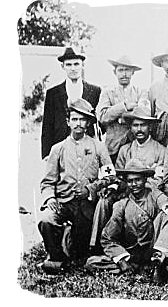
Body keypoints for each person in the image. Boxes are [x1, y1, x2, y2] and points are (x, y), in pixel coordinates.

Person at [38, 99, 112, 273]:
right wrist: (50, 198)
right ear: (68, 121)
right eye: (74, 119)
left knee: (83, 247)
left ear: (88, 123)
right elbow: (47, 182)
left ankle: (77, 250)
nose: (78, 124)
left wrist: (90, 189)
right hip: (63, 203)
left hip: (88, 205)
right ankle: (56, 256)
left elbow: (111, 176)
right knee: (46, 220)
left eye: (82, 120)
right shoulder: (58, 149)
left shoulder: (98, 146)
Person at [89, 106, 167, 251]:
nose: (139, 129)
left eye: (143, 125)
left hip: (148, 195)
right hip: (126, 192)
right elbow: (118, 177)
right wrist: (113, 187)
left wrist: (139, 188)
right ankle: (97, 244)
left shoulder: (160, 150)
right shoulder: (125, 150)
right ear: (130, 128)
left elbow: (159, 179)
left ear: (150, 127)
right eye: (135, 125)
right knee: (104, 201)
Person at [84, 159, 168, 274]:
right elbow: (107, 238)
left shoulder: (155, 195)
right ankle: (137, 268)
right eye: (130, 181)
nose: (134, 184)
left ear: (145, 180)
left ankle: (158, 260)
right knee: (92, 263)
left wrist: (160, 249)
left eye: (137, 180)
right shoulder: (121, 204)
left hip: (152, 249)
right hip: (131, 254)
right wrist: (122, 259)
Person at [41, 47, 101, 159]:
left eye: (76, 64)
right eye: (68, 65)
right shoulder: (53, 93)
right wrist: (46, 154)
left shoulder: (95, 91)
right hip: (60, 146)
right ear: (62, 66)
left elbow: (98, 124)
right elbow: (47, 126)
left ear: (83, 65)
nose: (73, 68)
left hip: (87, 148)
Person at [97, 55, 148, 163]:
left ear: (133, 72)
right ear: (114, 72)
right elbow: (102, 116)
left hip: (135, 145)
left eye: (127, 70)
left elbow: (144, 114)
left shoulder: (141, 92)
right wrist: (124, 106)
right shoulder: (107, 92)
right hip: (113, 147)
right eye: (120, 70)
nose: (124, 74)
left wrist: (120, 119)